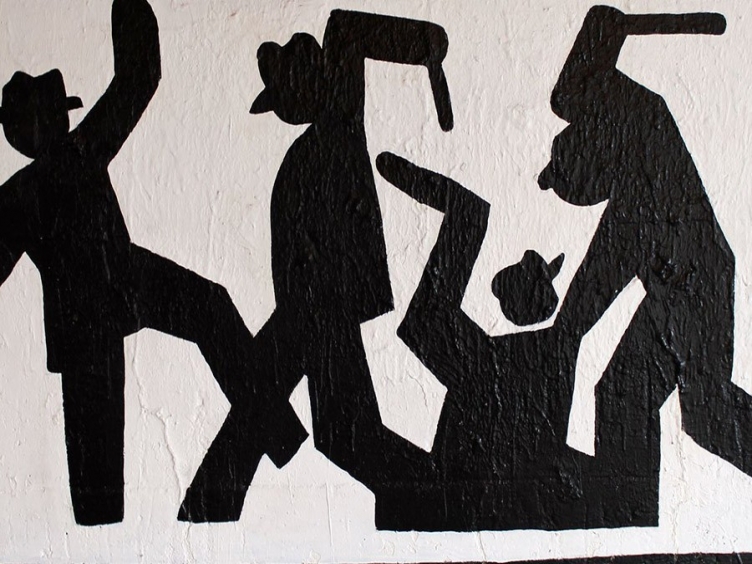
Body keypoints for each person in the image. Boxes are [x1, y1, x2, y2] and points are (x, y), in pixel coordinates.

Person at [0, 0, 271, 526]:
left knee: (96, 455)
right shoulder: (74, 154)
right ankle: (275, 429)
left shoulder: (20, 193)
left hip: (93, 310)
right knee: (209, 309)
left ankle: (273, 430)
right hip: (113, 294)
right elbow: (138, 78)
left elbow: (137, 80)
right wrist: (128, 8)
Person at [179, 9, 454, 522]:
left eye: (286, 95)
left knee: (329, 430)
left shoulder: (339, 119)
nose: (285, 109)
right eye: (281, 102)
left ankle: (434, 495)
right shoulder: (308, 150)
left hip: (325, 305)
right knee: (335, 432)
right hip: (310, 308)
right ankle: (432, 494)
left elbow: (345, 31)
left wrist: (424, 44)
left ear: (315, 79)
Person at [539, 5, 744, 527]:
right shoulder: (612, 121)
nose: (595, 200)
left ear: (592, 156)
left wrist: (565, 333)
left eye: (588, 192)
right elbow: (601, 269)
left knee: (706, 415)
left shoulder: (636, 167)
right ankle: (626, 502)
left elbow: (601, 271)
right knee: (624, 393)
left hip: (696, 283)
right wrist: (566, 334)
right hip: (680, 285)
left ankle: (625, 501)